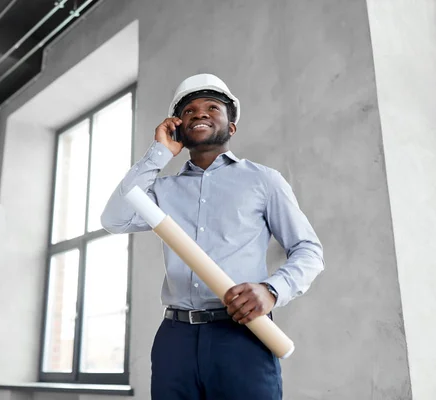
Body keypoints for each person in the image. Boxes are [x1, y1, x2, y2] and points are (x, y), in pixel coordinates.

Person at [100, 73, 324, 400]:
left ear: (230, 127)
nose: (199, 113)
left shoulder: (263, 181)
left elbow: (308, 249)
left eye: (212, 108)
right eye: (188, 110)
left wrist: (272, 291)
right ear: (178, 126)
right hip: (175, 340)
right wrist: (159, 153)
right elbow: (114, 219)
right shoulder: (163, 190)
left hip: (243, 334)